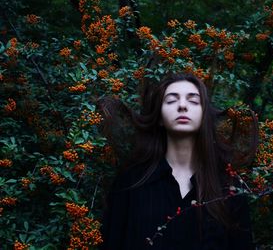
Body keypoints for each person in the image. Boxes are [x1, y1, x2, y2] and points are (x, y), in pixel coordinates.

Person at [99, 73, 257, 250]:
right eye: (172, 100)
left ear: (204, 115)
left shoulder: (228, 188)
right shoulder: (131, 182)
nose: (182, 106)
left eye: (193, 101)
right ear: (159, 117)